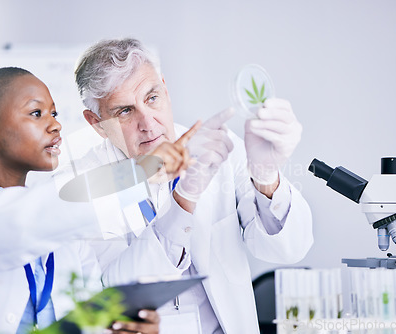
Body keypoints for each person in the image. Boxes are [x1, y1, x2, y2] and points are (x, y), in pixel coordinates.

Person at [0, 67, 197, 334]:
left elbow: (85, 321)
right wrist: (138, 174)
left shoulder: (69, 240)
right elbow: (16, 225)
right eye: (36, 113)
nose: (56, 125)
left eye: (54, 113)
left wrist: (120, 326)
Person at [68, 38, 314, 334]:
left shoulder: (220, 148)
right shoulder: (85, 183)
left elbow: (288, 250)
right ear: (96, 123)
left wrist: (266, 177)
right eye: (124, 111)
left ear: (165, 90)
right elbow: (114, 295)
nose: (148, 123)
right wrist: (184, 199)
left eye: (152, 98)